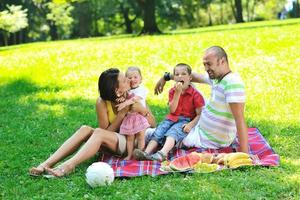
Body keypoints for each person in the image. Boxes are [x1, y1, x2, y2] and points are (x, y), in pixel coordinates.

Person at [29, 68, 156, 177]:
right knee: (85, 129)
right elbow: (106, 132)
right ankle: (45, 164)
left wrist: (143, 110)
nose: (129, 80)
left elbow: (153, 124)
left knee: (98, 133)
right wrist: (121, 115)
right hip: (113, 140)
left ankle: (68, 166)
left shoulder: (135, 95)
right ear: (117, 90)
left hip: (131, 142)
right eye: (124, 80)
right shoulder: (102, 102)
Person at [154, 46, 249, 153]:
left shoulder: (232, 83)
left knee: (160, 135)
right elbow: (192, 76)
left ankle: (147, 135)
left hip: (205, 139)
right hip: (200, 127)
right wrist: (166, 77)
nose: (206, 68)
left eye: (209, 64)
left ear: (222, 61)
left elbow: (240, 119)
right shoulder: (218, 78)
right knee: (189, 83)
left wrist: (244, 154)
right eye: (204, 64)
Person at [134, 63, 205, 162]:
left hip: (185, 120)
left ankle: (162, 153)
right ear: (174, 78)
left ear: (190, 78)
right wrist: (177, 93)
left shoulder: (195, 95)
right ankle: (146, 153)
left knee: (173, 133)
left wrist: (190, 125)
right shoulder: (173, 91)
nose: (180, 76)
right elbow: (172, 110)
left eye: (183, 74)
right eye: (176, 74)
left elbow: (199, 114)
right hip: (171, 118)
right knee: (159, 131)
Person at [117, 67, 150, 160]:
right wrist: (122, 99)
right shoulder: (127, 90)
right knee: (130, 137)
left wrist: (125, 103)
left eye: (135, 77)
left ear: (141, 79)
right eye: (130, 77)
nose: (133, 80)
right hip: (129, 117)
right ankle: (129, 154)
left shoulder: (142, 89)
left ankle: (141, 153)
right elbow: (123, 96)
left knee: (141, 136)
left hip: (139, 116)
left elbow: (135, 99)